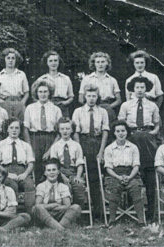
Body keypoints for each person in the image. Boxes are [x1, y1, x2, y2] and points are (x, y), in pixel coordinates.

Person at [117, 76, 160, 223]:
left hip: (147, 139)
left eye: (142, 87)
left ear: (146, 89)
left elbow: (157, 125)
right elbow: (121, 124)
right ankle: (131, 211)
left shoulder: (153, 106)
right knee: (131, 171)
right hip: (132, 138)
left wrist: (150, 134)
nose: (140, 90)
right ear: (133, 89)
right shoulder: (126, 105)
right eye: (137, 88)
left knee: (149, 175)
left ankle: (151, 214)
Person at [72, 84, 109, 220]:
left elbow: (105, 132)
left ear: (97, 97)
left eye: (94, 96)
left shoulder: (103, 112)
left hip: (97, 143)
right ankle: (81, 211)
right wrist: (79, 150)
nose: (91, 99)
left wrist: (101, 151)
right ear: (85, 97)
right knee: (85, 176)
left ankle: (98, 211)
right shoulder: (78, 111)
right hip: (83, 142)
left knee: (97, 177)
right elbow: (75, 132)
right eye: (89, 96)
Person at [103, 121, 145, 226]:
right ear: (114, 133)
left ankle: (141, 221)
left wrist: (130, 177)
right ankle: (112, 220)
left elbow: (136, 165)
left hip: (131, 173)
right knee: (114, 188)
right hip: (114, 174)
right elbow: (108, 168)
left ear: (127, 132)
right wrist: (118, 177)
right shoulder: (109, 149)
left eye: (123, 131)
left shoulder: (133, 147)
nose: (121, 133)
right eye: (118, 131)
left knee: (136, 188)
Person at [0, 118, 35, 214]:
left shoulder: (25, 145)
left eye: (17, 128)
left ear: (20, 130)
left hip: (22, 170)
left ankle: (29, 215)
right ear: (7, 129)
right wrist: (7, 174)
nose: (14, 130)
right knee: (12, 186)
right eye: (11, 128)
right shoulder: (0, 144)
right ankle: (12, 214)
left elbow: (31, 163)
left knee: (29, 185)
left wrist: (25, 174)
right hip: (5, 171)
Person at [23, 79, 62, 183]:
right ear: (36, 93)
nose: (43, 94)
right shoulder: (30, 108)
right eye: (40, 92)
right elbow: (26, 128)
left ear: (49, 93)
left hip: (51, 139)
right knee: (36, 166)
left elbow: (60, 132)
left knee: (50, 165)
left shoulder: (56, 109)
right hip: (35, 138)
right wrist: (29, 146)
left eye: (45, 91)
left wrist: (51, 149)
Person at [32, 159, 82, 230]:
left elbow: (67, 206)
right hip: (45, 214)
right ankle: (60, 229)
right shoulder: (41, 186)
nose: (51, 172)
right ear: (45, 173)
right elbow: (38, 205)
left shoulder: (63, 187)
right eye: (49, 170)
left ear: (58, 172)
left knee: (76, 207)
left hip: (59, 214)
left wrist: (50, 207)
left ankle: (56, 227)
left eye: (54, 170)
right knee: (37, 209)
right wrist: (54, 205)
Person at [48, 117, 86, 207]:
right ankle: (64, 211)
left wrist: (78, 176)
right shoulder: (55, 146)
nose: (65, 131)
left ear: (72, 130)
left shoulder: (76, 146)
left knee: (79, 186)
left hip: (73, 172)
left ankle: (76, 212)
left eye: (67, 129)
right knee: (63, 187)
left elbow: (80, 163)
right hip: (60, 172)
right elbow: (54, 164)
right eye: (62, 129)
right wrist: (61, 176)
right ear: (59, 130)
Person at [78, 52, 121, 124]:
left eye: (103, 62)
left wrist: (109, 107)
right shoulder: (87, 79)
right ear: (94, 64)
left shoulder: (112, 80)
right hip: (92, 108)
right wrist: (91, 106)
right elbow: (80, 98)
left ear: (107, 63)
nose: (100, 64)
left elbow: (119, 100)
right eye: (98, 62)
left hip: (108, 108)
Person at [32, 50, 74, 117]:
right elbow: (34, 97)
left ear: (59, 62)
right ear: (47, 63)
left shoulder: (65, 78)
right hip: (47, 105)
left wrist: (65, 103)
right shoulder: (41, 79)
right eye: (50, 61)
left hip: (62, 107)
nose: (53, 63)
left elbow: (71, 96)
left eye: (55, 60)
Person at [0, 48, 29, 121]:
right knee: (5, 125)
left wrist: (22, 103)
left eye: (13, 58)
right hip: (4, 103)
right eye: (8, 58)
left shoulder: (21, 74)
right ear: (4, 59)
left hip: (18, 103)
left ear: (16, 60)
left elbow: (26, 92)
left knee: (20, 125)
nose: (10, 60)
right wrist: (1, 102)